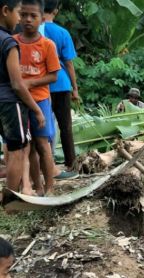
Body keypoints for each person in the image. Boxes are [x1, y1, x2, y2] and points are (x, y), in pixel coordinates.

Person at [14, 0, 61, 195]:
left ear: (42, 19)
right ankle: (38, 187)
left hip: (40, 100)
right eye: (24, 14)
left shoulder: (47, 45)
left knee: (43, 144)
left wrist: (30, 83)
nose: (27, 19)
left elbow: (54, 75)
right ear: (19, 16)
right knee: (28, 147)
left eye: (33, 16)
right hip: (18, 101)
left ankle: (50, 188)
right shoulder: (13, 42)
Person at [0, 0, 45, 197]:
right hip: (9, 103)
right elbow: (17, 84)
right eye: (18, 12)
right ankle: (10, 201)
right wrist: (36, 109)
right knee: (17, 150)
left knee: (9, 148)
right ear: (5, 11)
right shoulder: (9, 42)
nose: (19, 18)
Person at [43, 0, 79, 176]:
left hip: (42, 86)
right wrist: (75, 89)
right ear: (55, 11)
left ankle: (46, 163)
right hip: (62, 84)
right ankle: (70, 163)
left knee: (43, 127)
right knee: (65, 127)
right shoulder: (62, 33)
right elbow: (69, 64)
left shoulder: (35, 32)